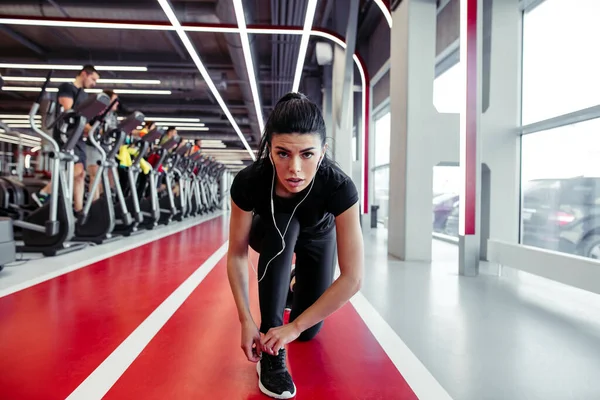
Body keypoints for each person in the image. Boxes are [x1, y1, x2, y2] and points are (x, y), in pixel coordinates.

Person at [227, 92, 364, 399]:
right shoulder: (250, 182)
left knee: (310, 331)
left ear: (323, 150)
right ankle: (271, 356)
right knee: (285, 225)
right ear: (269, 150)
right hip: (271, 235)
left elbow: (353, 278)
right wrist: (246, 319)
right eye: (283, 153)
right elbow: (236, 253)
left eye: (307, 154)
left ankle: (293, 280)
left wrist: (296, 327)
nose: (295, 170)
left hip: (318, 236)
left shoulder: (340, 187)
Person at [32, 65, 100, 212]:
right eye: (93, 79)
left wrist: (92, 130)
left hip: (78, 135)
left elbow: (84, 118)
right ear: (84, 74)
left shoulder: (84, 95)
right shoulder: (67, 88)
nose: (94, 83)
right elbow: (68, 111)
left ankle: (79, 211)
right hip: (66, 133)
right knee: (75, 170)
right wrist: (86, 124)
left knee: (80, 174)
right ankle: (44, 192)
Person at [86, 89, 119, 201]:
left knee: (102, 177)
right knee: (95, 176)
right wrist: (98, 131)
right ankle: (93, 204)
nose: (117, 103)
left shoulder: (113, 115)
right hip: (93, 145)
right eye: (115, 100)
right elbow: (86, 125)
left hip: (105, 148)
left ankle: (99, 202)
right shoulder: (97, 111)